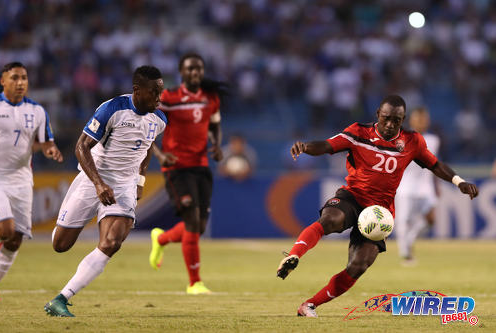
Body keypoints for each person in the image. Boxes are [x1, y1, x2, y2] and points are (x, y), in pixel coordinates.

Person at [276, 95, 479, 317]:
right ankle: (293, 255)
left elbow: (435, 164)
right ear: (377, 115)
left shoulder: (412, 141)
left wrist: (459, 182)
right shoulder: (358, 133)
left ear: (403, 119)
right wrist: (305, 147)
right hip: (352, 197)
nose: (391, 124)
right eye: (386, 118)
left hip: (379, 213)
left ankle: (309, 305)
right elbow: (326, 145)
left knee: (359, 265)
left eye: (397, 120)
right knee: (330, 220)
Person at [44, 65, 166, 317]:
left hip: (124, 186)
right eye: (154, 92)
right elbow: (81, 147)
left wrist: (140, 182)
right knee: (60, 245)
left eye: (161, 92)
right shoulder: (111, 109)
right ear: (137, 90)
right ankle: (71, 219)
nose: (159, 97)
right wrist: (99, 184)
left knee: (112, 242)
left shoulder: (160, 120)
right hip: (92, 179)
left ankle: (62, 299)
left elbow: (147, 148)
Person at [149, 53, 226, 294]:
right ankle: (195, 283)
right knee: (192, 220)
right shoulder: (169, 98)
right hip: (176, 167)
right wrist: (160, 156)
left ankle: (161, 239)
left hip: (201, 166)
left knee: (199, 226)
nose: (195, 73)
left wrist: (216, 144)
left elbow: (215, 126)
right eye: (191, 69)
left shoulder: (210, 98)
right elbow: (146, 127)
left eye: (199, 69)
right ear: (181, 72)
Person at [0, 62, 63, 301]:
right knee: (5, 229)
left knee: (14, 240)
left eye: (24, 77)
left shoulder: (37, 111)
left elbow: (46, 142)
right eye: (14, 77)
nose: (20, 82)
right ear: (3, 81)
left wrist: (50, 150)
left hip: (22, 179)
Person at [395, 107, 440, 264]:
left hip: (425, 186)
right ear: (412, 120)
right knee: (403, 220)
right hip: (406, 185)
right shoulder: (402, 139)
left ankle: (409, 239)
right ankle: (405, 254)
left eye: (424, 118)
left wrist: (436, 185)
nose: (422, 121)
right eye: (418, 118)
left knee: (431, 219)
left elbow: (434, 164)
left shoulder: (434, 140)